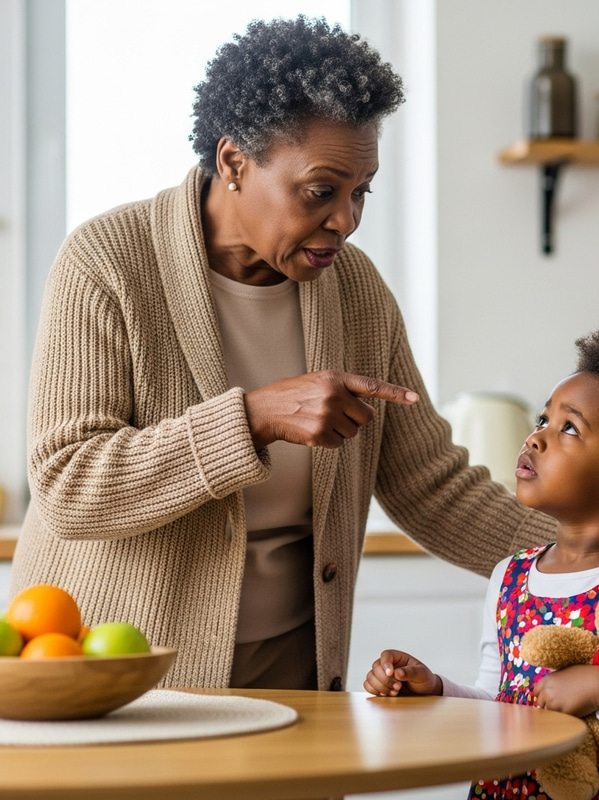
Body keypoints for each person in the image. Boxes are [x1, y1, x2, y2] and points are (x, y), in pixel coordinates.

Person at [9, 16, 555, 691]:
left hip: (293, 669)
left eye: (362, 191)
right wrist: (254, 418)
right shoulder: (108, 263)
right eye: (320, 191)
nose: (347, 219)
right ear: (235, 160)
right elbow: (69, 484)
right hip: (115, 674)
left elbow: (432, 487)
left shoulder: (355, 292)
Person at [364, 328, 599, 800]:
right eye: (543, 418)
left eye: (569, 428)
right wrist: (437, 690)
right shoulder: (511, 575)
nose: (536, 437)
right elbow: (499, 700)